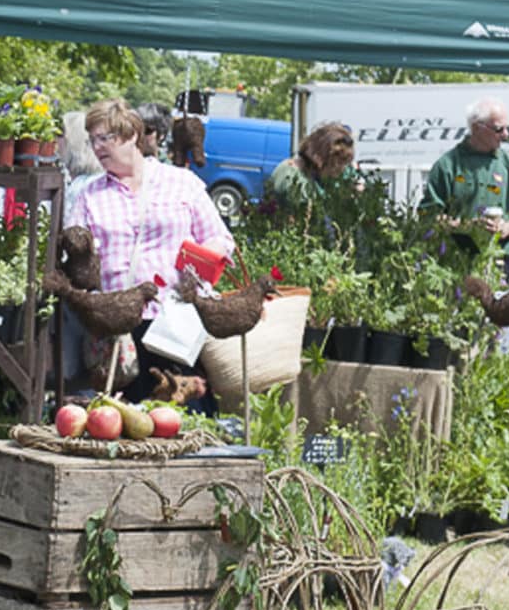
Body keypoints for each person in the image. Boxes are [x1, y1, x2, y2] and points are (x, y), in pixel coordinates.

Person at [66, 98, 235, 404]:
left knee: (183, 416)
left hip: (174, 321)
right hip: (118, 331)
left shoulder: (182, 183)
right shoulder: (89, 195)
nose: (98, 147)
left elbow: (220, 240)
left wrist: (197, 265)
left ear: (132, 135)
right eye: (93, 140)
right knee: (123, 419)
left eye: (106, 138)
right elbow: (74, 261)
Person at [418, 97, 509, 262]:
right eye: (499, 129)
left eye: (508, 128)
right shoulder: (448, 165)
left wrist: (507, 227)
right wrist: (464, 226)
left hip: (499, 258)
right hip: (458, 258)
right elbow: (427, 214)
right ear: (477, 128)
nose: (506, 135)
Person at [267, 121, 357, 214]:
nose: (340, 172)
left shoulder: (312, 174)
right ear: (319, 159)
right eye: (336, 167)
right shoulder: (292, 180)